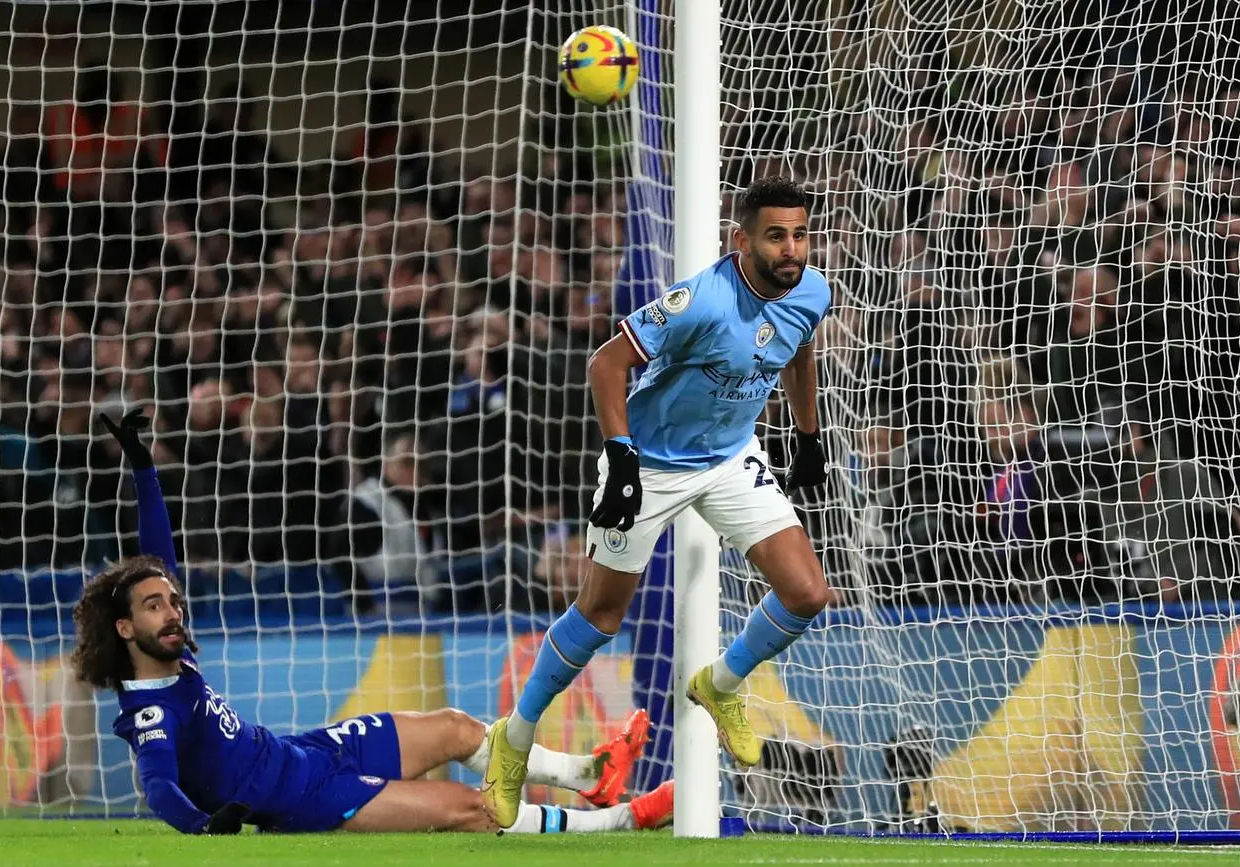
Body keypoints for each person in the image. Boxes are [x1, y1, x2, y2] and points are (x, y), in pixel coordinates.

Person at [72, 409, 673, 835]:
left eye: (173, 601)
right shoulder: (151, 709)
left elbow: (159, 560)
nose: (173, 611)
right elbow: (158, 789)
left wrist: (144, 471)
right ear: (125, 629)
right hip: (309, 800)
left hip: (304, 753)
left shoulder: (176, 658)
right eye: (156, 607)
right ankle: (623, 817)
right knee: (474, 808)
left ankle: (589, 774)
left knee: (456, 727)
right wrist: (206, 828)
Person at [482, 175, 833, 826]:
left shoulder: (810, 290)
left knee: (807, 592)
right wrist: (620, 457)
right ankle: (515, 737)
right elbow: (606, 364)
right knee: (600, 616)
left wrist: (808, 431)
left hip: (729, 457)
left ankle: (718, 684)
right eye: (776, 235)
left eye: (800, 234)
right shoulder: (699, 301)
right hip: (652, 462)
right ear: (742, 240)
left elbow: (800, 345)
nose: (791, 249)